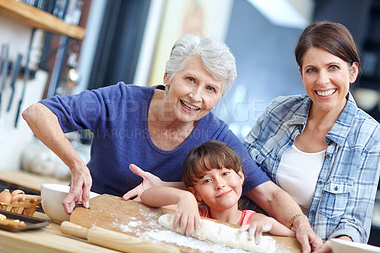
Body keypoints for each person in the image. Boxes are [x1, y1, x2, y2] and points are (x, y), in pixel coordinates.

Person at [22, 34, 320, 251]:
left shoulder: (216, 135)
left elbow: (266, 193)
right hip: (88, 228)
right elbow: (37, 112)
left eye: (211, 89)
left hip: (155, 244)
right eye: (190, 80)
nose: (196, 96)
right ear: (168, 75)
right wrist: (76, 165)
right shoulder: (121, 101)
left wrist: (300, 224)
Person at [244, 21, 380, 252]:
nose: (322, 80)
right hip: (251, 240)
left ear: (353, 71)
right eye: (312, 70)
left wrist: (336, 246)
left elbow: (355, 222)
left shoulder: (369, 136)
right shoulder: (279, 110)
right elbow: (240, 170)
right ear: (301, 74)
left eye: (333, 67)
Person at [141, 141, 295, 242]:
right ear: (196, 193)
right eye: (207, 180)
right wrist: (184, 197)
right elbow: (146, 196)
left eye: (225, 174)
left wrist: (269, 223)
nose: (220, 185)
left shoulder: (252, 221)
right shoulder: (196, 214)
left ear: (240, 176)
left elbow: (292, 239)